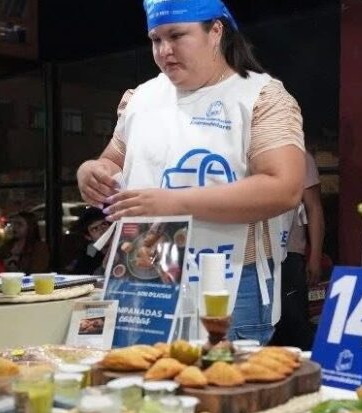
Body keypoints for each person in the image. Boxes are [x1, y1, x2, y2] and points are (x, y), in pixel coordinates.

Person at [77, 0, 305, 343]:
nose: (164, 50)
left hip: (227, 280)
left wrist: (173, 204)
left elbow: (284, 188)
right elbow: (114, 159)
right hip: (145, 275)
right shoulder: (142, 98)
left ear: (216, 31)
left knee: (217, 388)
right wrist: (92, 170)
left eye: (177, 35)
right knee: (142, 384)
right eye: (155, 39)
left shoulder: (262, 95)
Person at [270, 152, 325, 350]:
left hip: (290, 251)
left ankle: (308, 371)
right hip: (257, 256)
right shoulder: (248, 151)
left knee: (293, 320)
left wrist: (315, 256)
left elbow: (314, 208)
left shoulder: (301, 157)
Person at [64, 207, 110, 275]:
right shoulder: (88, 257)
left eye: (104, 224)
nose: (102, 230)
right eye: (95, 229)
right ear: (88, 237)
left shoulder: (125, 245)